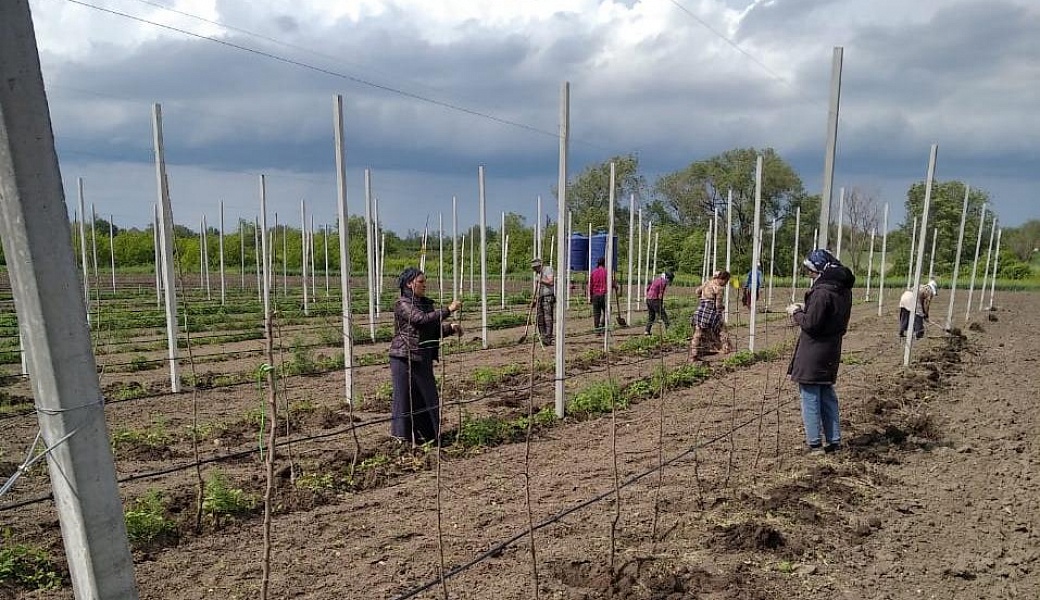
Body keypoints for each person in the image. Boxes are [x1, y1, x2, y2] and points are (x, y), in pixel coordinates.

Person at [786, 249, 855, 455]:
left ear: (818, 269)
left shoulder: (822, 291)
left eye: (810, 270)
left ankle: (814, 444)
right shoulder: (843, 289)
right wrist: (807, 307)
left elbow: (812, 324)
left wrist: (796, 312)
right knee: (827, 395)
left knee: (810, 396)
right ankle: (834, 441)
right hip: (831, 350)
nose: (810, 274)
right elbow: (827, 316)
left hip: (813, 353)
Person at [389, 267, 462, 446]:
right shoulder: (402, 303)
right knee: (404, 399)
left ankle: (427, 437)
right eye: (421, 282)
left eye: (424, 281)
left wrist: (450, 328)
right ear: (409, 283)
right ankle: (401, 440)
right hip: (404, 357)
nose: (424, 285)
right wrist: (448, 310)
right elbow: (420, 320)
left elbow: (430, 330)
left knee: (427, 398)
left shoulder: (425, 303)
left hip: (422, 357)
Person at [690, 270, 732, 360]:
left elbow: (697, 291)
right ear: (723, 279)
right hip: (710, 312)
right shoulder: (719, 288)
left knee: (698, 331)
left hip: (701, 309)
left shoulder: (707, 282)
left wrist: (703, 299)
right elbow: (718, 305)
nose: (726, 284)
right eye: (726, 281)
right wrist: (722, 308)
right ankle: (725, 348)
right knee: (722, 329)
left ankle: (694, 352)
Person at [588, 256, 619, 333]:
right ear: (604, 263)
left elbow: (590, 285)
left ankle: (597, 329)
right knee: (608, 310)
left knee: (596, 312)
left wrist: (590, 296)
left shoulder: (593, 272)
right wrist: (615, 286)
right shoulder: (606, 272)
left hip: (595, 295)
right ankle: (602, 323)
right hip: (604, 295)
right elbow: (611, 283)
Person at [531, 258, 555, 346]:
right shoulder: (537, 274)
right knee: (539, 318)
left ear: (539, 266)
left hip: (547, 297)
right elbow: (536, 288)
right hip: (539, 298)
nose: (535, 270)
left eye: (536, 268)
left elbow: (551, 282)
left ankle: (548, 338)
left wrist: (541, 280)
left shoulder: (548, 270)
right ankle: (543, 337)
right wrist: (533, 299)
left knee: (547, 319)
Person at [644, 271, 673, 336]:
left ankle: (647, 331)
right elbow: (661, 294)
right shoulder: (663, 282)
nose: (669, 282)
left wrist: (648, 296)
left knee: (651, 316)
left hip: (648, 299)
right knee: (663, 315)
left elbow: (648, 288)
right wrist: (661, 303)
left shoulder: (657, 279)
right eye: (670, 280)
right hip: (655, 299)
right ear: (667, 278)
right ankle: (669, 331)